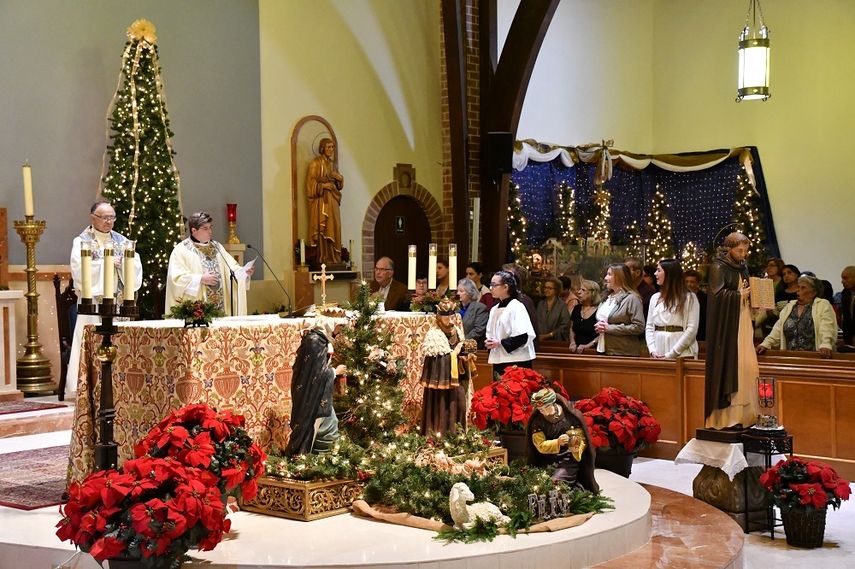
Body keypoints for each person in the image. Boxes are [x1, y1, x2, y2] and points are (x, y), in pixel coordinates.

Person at [67, 200, 143, 399]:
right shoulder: (82, 241)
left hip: (118, 301)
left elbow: (135, 266)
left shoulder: (123, 241)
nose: (109, 221)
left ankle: (120, 383)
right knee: (93, 341)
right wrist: (106, 264)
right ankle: (87, 384)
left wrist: (123, 264)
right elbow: (79, 269)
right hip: (94, 303)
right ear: (93, 218)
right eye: (105, 217)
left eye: (112, 217)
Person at [704, 232, 760, 429]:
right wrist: (738, 296)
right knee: (733, 365)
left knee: (747, 366)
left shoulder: (743, 267)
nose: (743, 254)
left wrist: (754, 300)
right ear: (729, 248)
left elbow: (747, 290)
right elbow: (717, 296)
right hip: (727, 328)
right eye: (739, 250)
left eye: (746, 250)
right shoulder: (718, 267)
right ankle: (728, 417)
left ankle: (746, 415)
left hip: (743, 320)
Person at [166, 212, 253, 316]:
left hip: (222, 310)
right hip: (197, 314)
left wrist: (244, 273)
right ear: (194, 230)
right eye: (205, 228)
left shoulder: (217, 247)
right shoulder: (181, 250)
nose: (210, 231)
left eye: (210, 227)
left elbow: (232, 269)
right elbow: (176, 279)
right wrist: (200, 278)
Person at [285, 315, 347, 455]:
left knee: (330, 423)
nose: (338, 333)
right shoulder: (315, 342)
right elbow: (315, 375)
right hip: (311, 394)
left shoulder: (321, 340)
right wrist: (334, 372)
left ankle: (326, 456)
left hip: (316, 392)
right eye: (338, 328)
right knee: (327, 425)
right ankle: (320, 455)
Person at [420, 298, 476, 436]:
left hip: (457, 378)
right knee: (443, 407)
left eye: (452, 316)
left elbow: (460, 349)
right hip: (441, 380)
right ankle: (442, 436)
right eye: (446, 316)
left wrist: (465, 355)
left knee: (461, 405)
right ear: (439, 317)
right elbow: (436, 360)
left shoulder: (456, 331)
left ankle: (459, 435)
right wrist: (455, 353)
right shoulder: (434, 336)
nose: (450, 320)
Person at [526, 388, 598, 492]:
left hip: (567, 461)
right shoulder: (537, 422)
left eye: (547, 408)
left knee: (555, 483)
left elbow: (581, 438)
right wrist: (557, 442)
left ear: (553, 403)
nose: (545, 412)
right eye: (541, 410)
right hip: (546, 461)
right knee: (537, 484)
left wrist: (573, 443)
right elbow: (540, 445)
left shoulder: (570, 417)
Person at [756, 274, 837, 358]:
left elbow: (827, 327)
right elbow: (778, 328)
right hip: (790, 356)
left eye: (803, 288)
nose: (798, 290)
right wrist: (765, 344)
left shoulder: (822, 305)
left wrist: (826, 344)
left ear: (814, 292)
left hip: (815, 355)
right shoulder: (790, 306)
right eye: (798, 287)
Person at [485, 270, 536, 377]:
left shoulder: (517, 307)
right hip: (499, 359)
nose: (490, 288)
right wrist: (489, 342)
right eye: (490, 285)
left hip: (517, 360)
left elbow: (523, 336)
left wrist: (499, 343)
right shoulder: (494, 309)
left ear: (505, 287)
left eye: (494, 285)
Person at [645, 259, 699, 359]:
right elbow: (649, 326)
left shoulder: (689, 298)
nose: (655, 273)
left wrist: (672, 354)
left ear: (670, 273)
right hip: (658, 351)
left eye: (659, 270)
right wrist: (652, 350)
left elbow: (691, 329)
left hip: (681, 353)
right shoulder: (655, 298)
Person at [306, 137, 344, 266]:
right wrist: (323, 186)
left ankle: (335, 256)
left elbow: (339, 184)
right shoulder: (315, 163)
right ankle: (324, 256)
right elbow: (310, 184)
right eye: (328, 147)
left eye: (333, 147)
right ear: (322, 148)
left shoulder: (332, 165)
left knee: (335, 225)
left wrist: (339, 178)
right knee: (325, 225)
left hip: (333, 198)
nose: (331, 150)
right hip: (322, 200)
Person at [594, 264, 645, 356]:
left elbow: (639, 327)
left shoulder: (632, 299)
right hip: (603, 349)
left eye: (609, 274)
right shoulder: (606, 298)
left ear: (620, 277)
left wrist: (609, 328)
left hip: (623, 352)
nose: (606, 278)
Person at [568, 279, 602, 354]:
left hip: (593, 351)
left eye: (583, 290)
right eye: (579, 289)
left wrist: (587, 346)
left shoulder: (600, 310)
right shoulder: (577, 308)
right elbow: (572, 328)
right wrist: (572, 342)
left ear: (592, 293)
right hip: (576, 350)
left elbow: (602, 334)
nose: (579, 292)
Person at [536, 277, 570, 342]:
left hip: (555, 342)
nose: (546, 290)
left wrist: (549, 335)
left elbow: (565, 326)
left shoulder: (562, 305)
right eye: (545, 287)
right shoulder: (540, 304)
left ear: (556, 290)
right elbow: (537, 322)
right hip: (540, 341)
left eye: (550, 288)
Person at [457, 278, 488, 349]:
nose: (458, 293)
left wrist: (461, 342)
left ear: (470, 293)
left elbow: (478, 330)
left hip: (472, 348)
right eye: (458, 291)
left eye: (461, 291)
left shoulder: (480, 308)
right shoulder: (456, 308)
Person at [684, 269, 707, 341]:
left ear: (697, 283)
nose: (689, 284)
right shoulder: (680, 297)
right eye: (686, 282)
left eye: (692, 282)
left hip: (700, 334)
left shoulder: (705, 298)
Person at [840, 266, 855, 347]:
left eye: (846, 278)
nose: (842, 281)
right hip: (849, 338)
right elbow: (846, 318)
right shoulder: (845, 293)